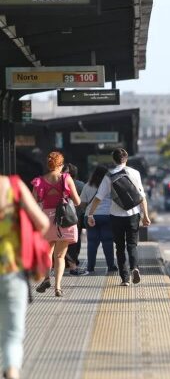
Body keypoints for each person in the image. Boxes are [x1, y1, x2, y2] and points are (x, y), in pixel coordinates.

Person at [0, 175, 50, 379]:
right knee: (13, 335)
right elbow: (43, 223)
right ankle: (12, 372)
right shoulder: (13, 185)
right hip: (12, 270)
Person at [86, 149, 151, 286]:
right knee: (132, 245)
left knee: (120, 247)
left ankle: (125, 279)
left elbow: (98, 198)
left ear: (113, 160)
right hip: (133, 214)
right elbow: (141, 197)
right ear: (126, 159)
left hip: (116, 216)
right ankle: (135, 268)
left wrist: (91, 214)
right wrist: (145, 215)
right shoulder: (135, 173)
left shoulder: (108, 176)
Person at [32, 151, 81, 297]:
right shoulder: (66, 178)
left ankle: (47, 278)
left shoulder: (39, 181)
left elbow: (33, 202)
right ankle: (58, 288)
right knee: (60, 256)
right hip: (64, 219)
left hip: (47, 219)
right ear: (60, 165)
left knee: (47, 253)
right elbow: (77, 201)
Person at [79, 166, 117, 273]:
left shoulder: (87, 186)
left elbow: (82, 204)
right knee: (108, 241)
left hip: (90, 216)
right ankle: (111, 266)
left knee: (91, 242)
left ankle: (90, 267)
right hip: (106, 216)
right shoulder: (110, 185)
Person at [64, 163, 87, 276]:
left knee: (61, 240)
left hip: (60, 216)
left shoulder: (59, 183)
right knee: (74, 241)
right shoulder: (80, 185)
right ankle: (73, 263)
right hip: (75, 217)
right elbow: (82, 201)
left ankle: (65, 261)